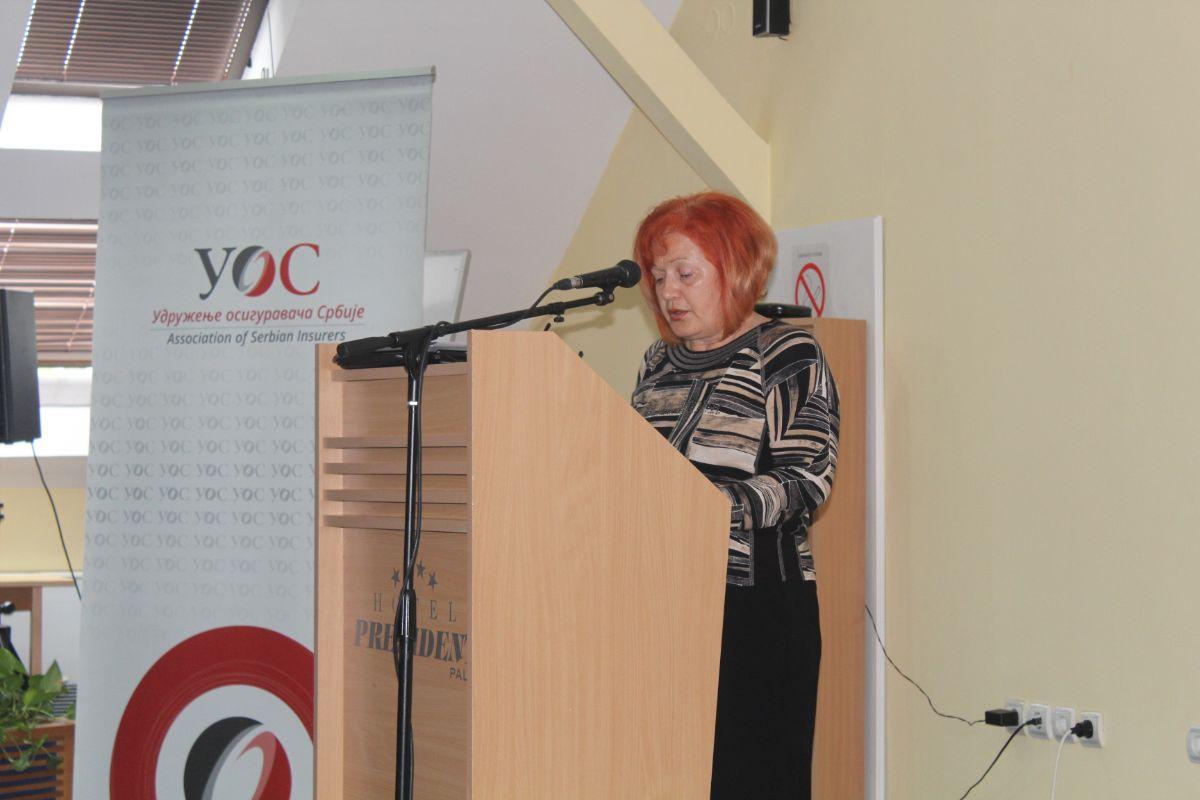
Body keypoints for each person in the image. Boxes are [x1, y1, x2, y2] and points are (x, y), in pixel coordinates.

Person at [630, 192, 840, 799]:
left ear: (737, 271)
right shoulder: (657, 362)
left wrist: (703, 507)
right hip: (662, 604)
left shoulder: (787, 353)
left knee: (751, 781)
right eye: (659, 276)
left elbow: (807, 478)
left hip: (757, 611)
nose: (669, 293)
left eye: (686, 273)